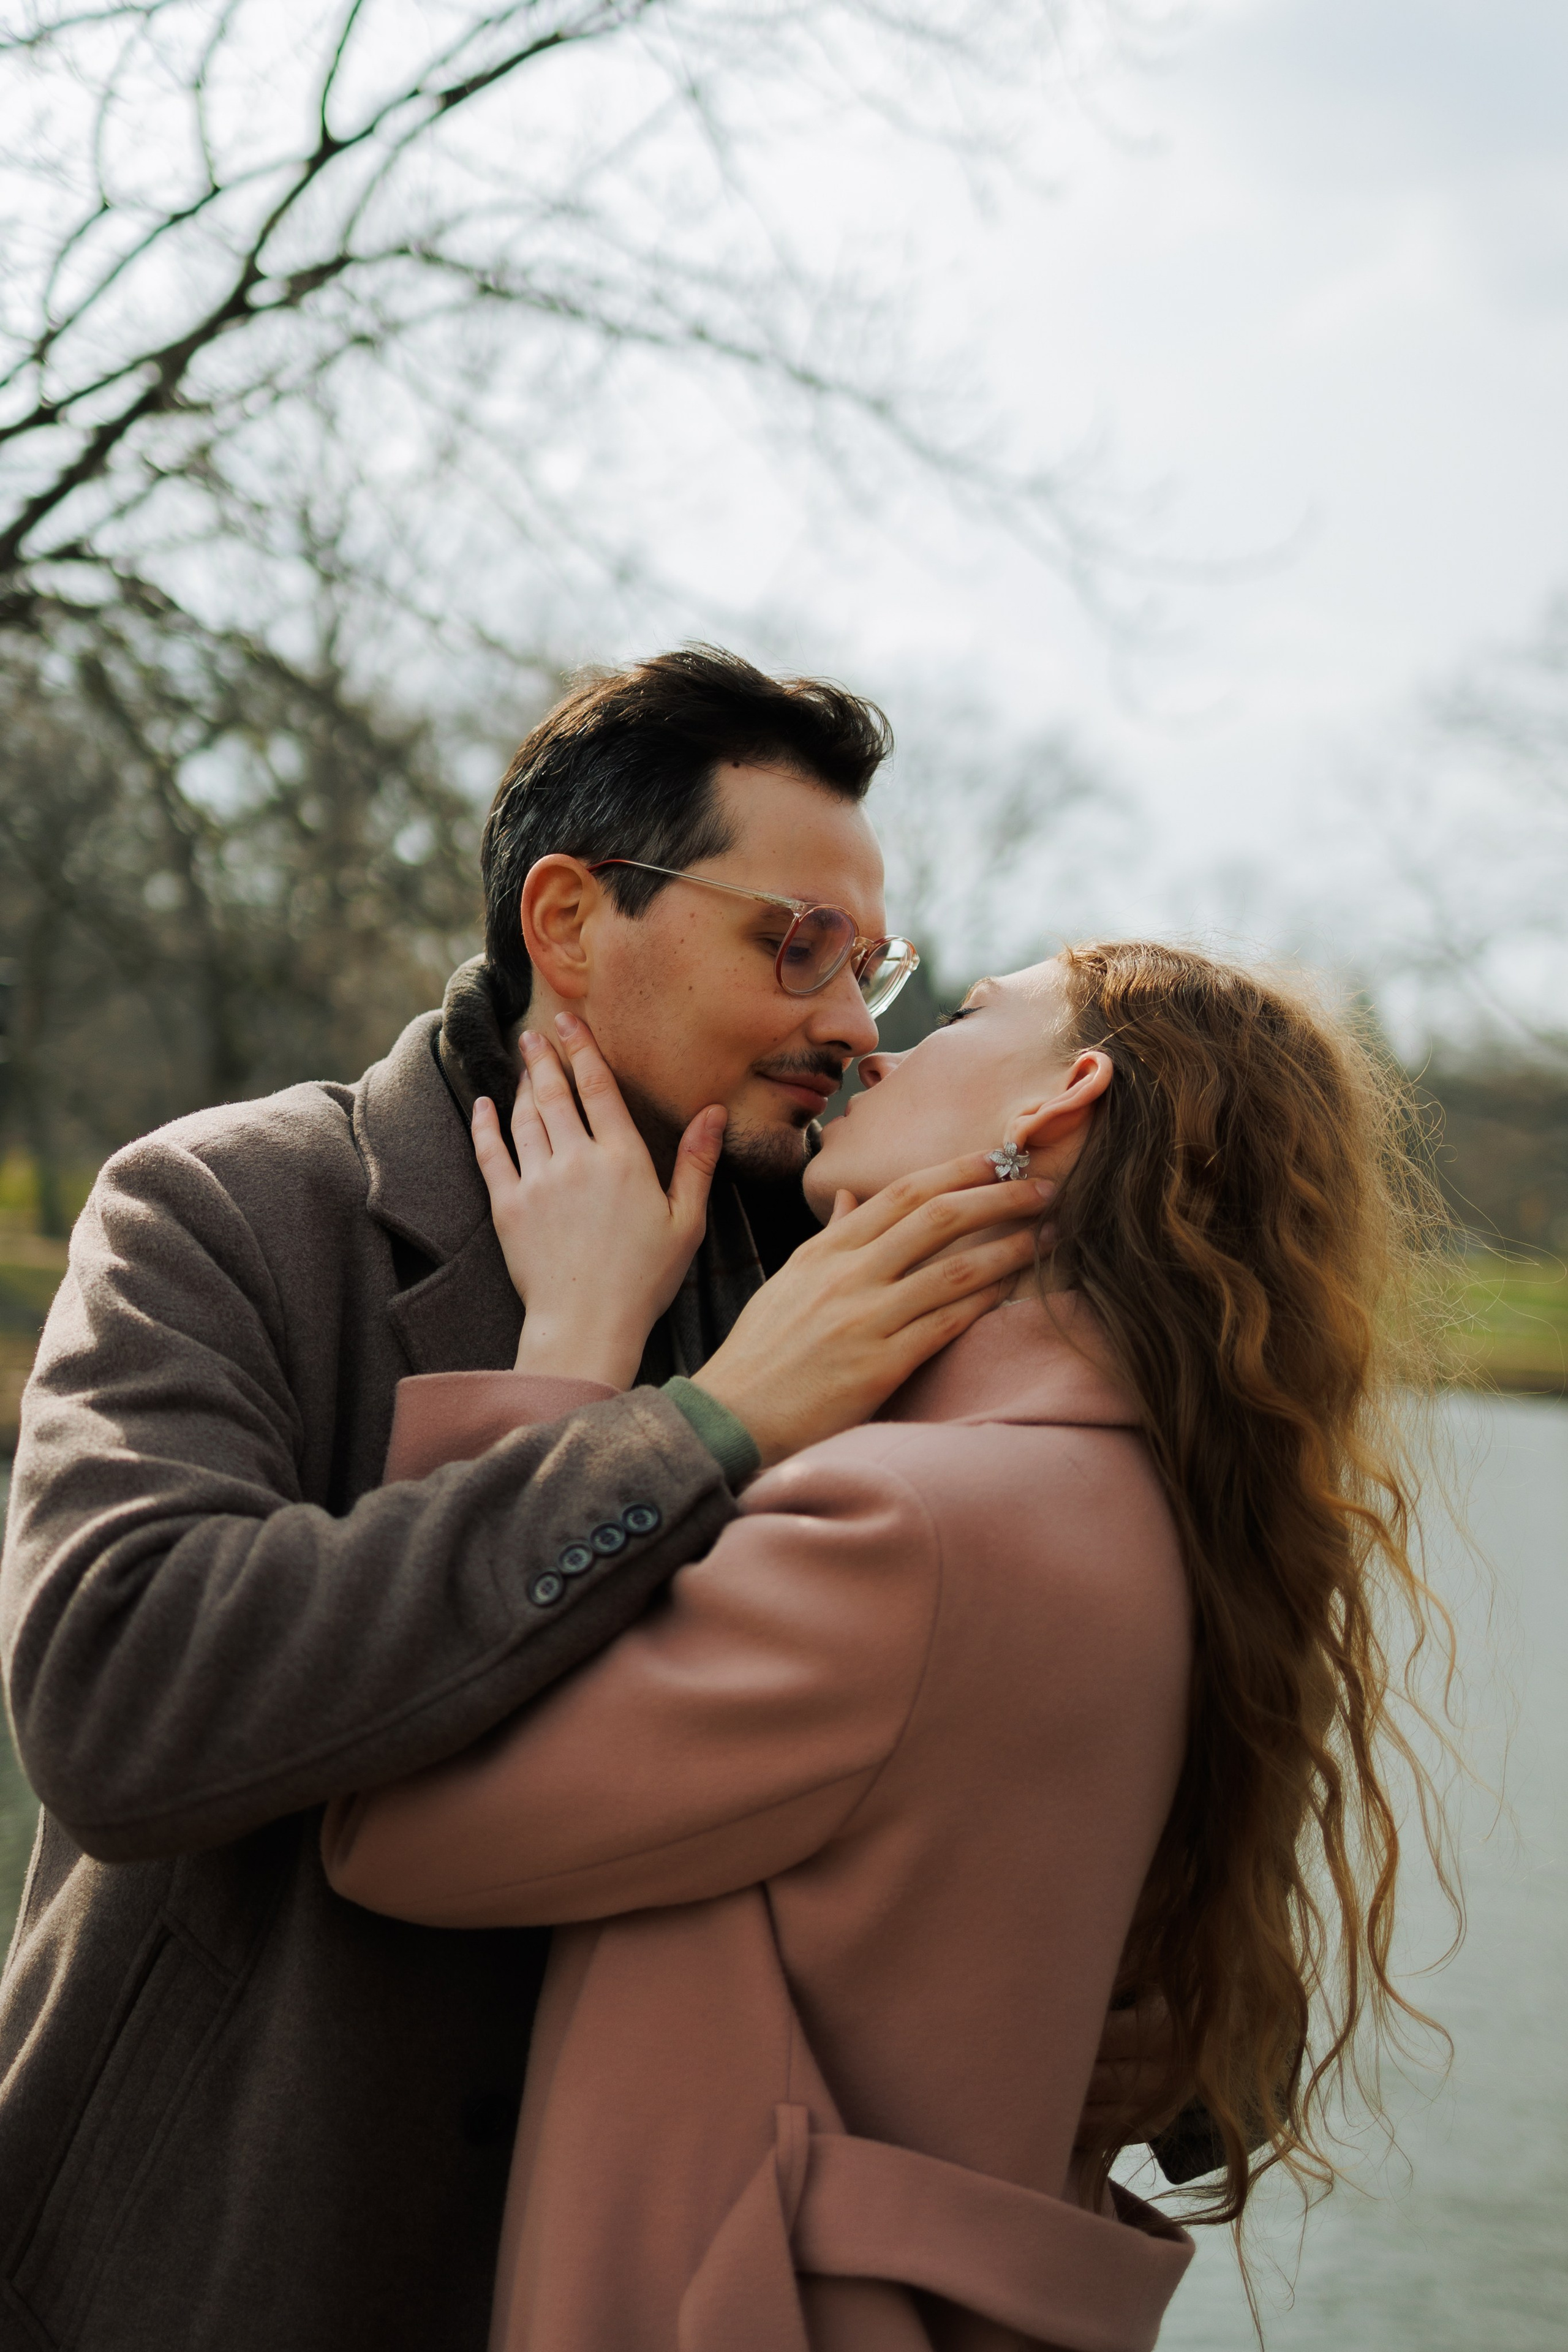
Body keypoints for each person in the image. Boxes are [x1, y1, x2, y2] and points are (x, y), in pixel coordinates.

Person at [0, 651, 1060, 2352]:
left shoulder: (826, 1267)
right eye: (794, 943)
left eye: (873, 963)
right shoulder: (228, 1209)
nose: (858, 1025)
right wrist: (693, 1428)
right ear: (569, 923)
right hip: (204, 2275)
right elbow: (119, 1705)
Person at [323, 941, 1455, 2352]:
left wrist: (572, 1359)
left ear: (1061, 1099)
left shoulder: (903, 1526)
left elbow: (404, 1815)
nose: (876, 1046)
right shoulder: (1152, 1501)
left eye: (965, 1018)